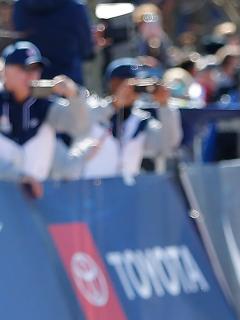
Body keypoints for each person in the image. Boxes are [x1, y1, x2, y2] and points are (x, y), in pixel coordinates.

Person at [0, 41, 89, 198]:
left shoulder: (46, 104)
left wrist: (74, 95)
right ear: (5, 71)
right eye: (24, 69)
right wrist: (19, 177)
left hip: (36, 202)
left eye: (35, 69)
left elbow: (80, 126)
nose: (31, 75)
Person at [69, 58, 182, 181]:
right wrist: (115, 104)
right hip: (88, 191)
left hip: (125, 195)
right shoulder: (93, 108)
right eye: (128, 83)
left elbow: (167, 146)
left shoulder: (141, 121)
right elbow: (83, 124)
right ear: (112, 83)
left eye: (137, 84)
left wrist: (165, 106)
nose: (132, 89)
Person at [12, 0, 93, 85]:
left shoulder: (20, 5)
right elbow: (86, 48)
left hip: (31, 78)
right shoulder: (76, 7)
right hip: (68, 79)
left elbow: (19, 39)